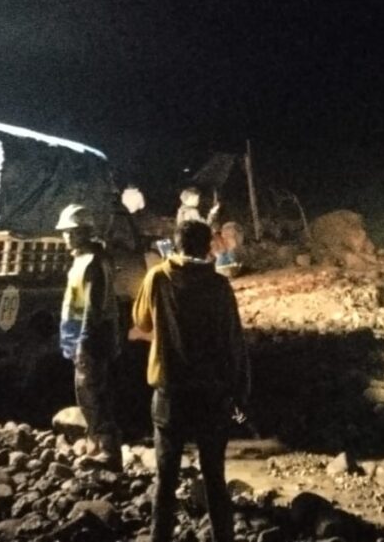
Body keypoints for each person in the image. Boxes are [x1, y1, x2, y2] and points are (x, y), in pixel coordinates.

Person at [133, 219, 249, 542]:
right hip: (212, 394)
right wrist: (240, 392)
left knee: (165, 479)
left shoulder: (158, 277)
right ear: (207, 247)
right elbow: (233, 342)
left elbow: (141, 321)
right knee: (214, 477)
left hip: (170, 393)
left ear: (176, 244)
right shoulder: (219, 286)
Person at [56, 203, 123, 470]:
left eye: (72, 231)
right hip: (81, 339)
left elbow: (93, 309)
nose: (67, 236)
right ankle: (96, 445)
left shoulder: (94, 262)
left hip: (91, 340)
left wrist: (83, 342)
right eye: (66, 231)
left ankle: (107, 450)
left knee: (94, 395)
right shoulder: (82, 259)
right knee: (87, 395)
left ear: (84, 232)